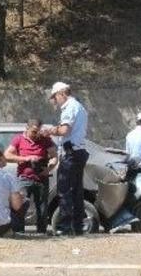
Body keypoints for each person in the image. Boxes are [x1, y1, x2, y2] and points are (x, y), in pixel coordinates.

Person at [42, 82, 89, 235]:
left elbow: (64, 130)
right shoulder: (80, 106)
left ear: (62, 93)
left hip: (71, 153)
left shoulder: (69, 107)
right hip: (78, 152)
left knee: (64, 191)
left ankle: (65, 228)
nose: (55, 100)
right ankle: (78, 226)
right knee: (76, 192)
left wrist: (50, 131)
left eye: (55, 96)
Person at [5, 119, 58, 234]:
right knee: (20, 206)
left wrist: (49, 167)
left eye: (38, 132)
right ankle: (19, 232)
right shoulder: (19, 139)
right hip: (24, 178)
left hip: (42, 178)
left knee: (42, 208)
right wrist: (26, 158)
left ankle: (41, 232)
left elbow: (54, 156)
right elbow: (7, 155)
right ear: (27, 128)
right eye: (34, 132)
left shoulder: (45, 140)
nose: (36, 134)